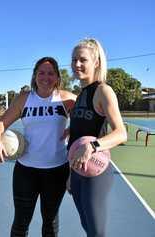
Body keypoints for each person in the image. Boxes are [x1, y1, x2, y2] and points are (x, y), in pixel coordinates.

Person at [0, 57, 76, 237]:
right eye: (41, 73)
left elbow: (91, 118)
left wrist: (74, 128)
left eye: (51, 73)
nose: (46, 77)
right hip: (26, 172)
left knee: (50, 222)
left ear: (57, 77)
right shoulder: (25, 99)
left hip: (56, 171)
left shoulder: (67, 99)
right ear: (35, 76)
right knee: (21, 222)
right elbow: (1, 124)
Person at [68, 38, 127, 237]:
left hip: (96, 171)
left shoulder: (103, 91)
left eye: (82, 60)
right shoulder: (80, 95)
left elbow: (121, 133)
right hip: (76, 171)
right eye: (74, 59)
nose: (77, 64)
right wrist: (70, 173)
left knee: (96, 232)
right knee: (86, 225)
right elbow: (80, 132)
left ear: (97, 62)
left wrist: (93, 145)